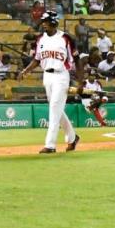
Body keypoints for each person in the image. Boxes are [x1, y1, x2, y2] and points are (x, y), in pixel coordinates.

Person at [18, 11, 80, 154]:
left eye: (46, 21)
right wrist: (26, 71)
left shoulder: (65, 38)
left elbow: (76, 60)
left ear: (54, 22)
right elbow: (37, 59)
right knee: (57, 109)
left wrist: (81, 81)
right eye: (43, 21)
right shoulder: (40, 39)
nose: (44, 24)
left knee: (54, 107)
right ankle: (72, 137)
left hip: (61, 76)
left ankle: (50, 145)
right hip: (47, 76)